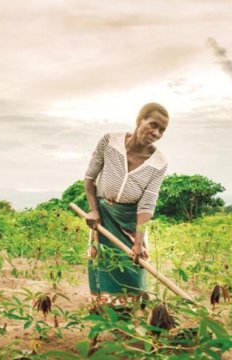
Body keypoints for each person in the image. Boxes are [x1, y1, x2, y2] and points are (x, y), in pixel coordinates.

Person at [83, 102, 169, 307]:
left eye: (162, 130)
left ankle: (131, 314)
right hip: (103, 215)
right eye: (153, 125)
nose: (156, 132)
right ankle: (103, 312)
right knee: (103, 263)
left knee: (133, 268)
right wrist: (94, 210)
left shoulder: (159, 162)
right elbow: (89, 178)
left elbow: (147, 204)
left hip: (132, 220)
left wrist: (138, 242)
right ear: (139, 120)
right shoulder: (109, 142)